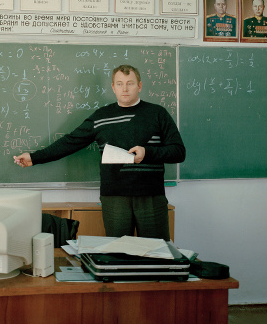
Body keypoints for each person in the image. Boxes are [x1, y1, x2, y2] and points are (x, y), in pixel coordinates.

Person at [14, 64, 185, 240]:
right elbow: (70, 142)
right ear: (113, 87)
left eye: (130, 83)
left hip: (151, 196)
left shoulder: (158, 114)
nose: (124, 89)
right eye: (119, 84)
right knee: (119, 255)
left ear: (139, 86)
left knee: (156, 255)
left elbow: (179, 152)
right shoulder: (101, 117)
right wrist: (34, 157)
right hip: (115, 197)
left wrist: (147, 152)